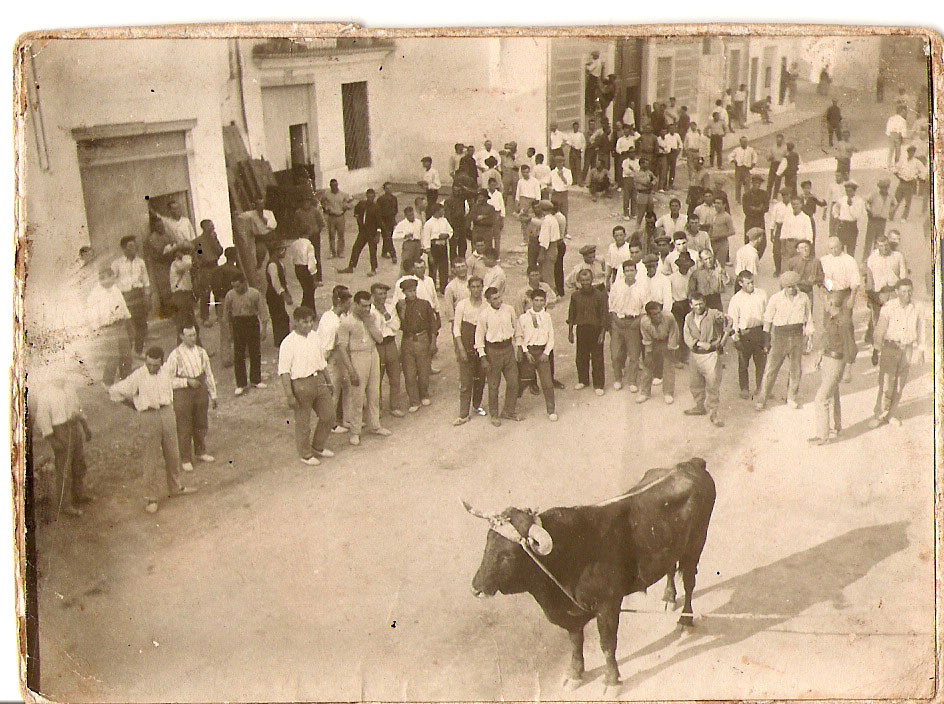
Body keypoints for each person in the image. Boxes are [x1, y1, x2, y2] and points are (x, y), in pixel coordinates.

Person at [108, 346, 198, 513]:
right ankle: (151, 498)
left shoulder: (165, 372)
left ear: (161, 363)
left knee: (173, 453)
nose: (151, 368)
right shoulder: (138, 375)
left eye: (155, 365)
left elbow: (173, 382)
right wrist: (135, 405)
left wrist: (186, 382)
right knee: (151, 458)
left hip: (167, 412)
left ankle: (176, 487)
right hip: (149, 416)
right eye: (148, 364)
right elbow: (116, 392)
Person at [279, 306, 336, 466]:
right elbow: (284, 372)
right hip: (300, 385)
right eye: (305, 322)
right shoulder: (288, 343)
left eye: (311, 321)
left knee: (329, 416)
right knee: (303, 422)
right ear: (296, 322)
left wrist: (328, 381)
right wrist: (290, 395)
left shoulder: (315, 337)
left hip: (318, 379)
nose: (309, 325)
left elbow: (322, 362)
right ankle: (305, 453)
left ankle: (318, 446)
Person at [32, 373, 93, 518]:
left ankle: (78, 494)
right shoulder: (45, 394)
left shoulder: (70, 388)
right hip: (60, 430)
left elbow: (78, 408)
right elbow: (43, 418)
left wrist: (85, 427)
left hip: (74, 426)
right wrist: (52, 439)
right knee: (64, 468)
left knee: (79, 463)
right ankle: (65, 504)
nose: (60, 378)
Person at [336, 291, 391, 446]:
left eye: (369, 306)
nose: (367, 309)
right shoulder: (347, 322)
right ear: (356, 305)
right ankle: (355, 431)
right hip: (357, 356)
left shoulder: (372, 317)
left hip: (372, 353)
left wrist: (369, 323)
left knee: (374, 392)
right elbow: (342, 348)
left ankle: (375, 425)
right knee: (357, 396)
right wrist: (351, 370)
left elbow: (380, 338)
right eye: (364, 306)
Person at [755, 271, 813, 411]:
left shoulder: (803, 298)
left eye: (793, 286)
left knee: (795, 369)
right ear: (783, 287)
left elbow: (809, 318)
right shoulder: (775, 299)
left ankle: (791, 397)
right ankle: (762, 399)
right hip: (780, 335)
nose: (791, 289)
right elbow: (768, 319)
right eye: (788, 287)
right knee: (771, 369)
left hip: (797, 334)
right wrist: (766, 339)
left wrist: (809, 337)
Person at [869, 278, 922, 428]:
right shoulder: (889, 307)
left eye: (909, 291)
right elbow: (880, 330)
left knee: (899, 385)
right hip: (890, 348)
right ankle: (879, 414)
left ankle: (891, 414)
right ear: (897, 292)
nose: (907, 294)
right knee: (886, 384)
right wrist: (876, 349)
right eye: (904, 291)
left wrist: (921, 350)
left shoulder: (917, 307)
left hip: (907, 349)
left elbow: (920, 329)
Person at [164, 323, 217, 472]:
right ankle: (185, 458)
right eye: (189, 336)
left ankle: (201, 451)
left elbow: (208, 374)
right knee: (184, 425)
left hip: (200, 388)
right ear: (181, 336)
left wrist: (213, 394)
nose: (193, 338)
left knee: (201, 421)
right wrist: (186, 381)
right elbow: (168, 379)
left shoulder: (201, 352)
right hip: (183, 393)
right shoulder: (175, 356)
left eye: (194, 335)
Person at [808, 290, 858, 445]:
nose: (824, 304)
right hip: (828, 359)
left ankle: (822, 436)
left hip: (837, 361)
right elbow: (827, 338)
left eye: (825, 301)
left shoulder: (844, 322)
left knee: (821, 398)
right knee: (832, 395)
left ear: (831, 303)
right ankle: (837, 427)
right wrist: (820, 354)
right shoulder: (832, 318)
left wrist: (848, 369)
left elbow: (851, 347)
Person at [473, 286, 521, 426]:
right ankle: (494, 414)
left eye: (499, 297)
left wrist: (518, 347)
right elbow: (479, 337)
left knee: (513, 382)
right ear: (488, 300)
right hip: (492, 351)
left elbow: (516, 328)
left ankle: (508, 411)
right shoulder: (484, 315)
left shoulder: (509, 309)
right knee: (494, 385)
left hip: (508, 349)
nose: (499, 300)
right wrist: (483, 357)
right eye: (494, 299)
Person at [682, 292, 730, 426]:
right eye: (695, 304)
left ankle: (714, 413)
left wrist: (723, 338)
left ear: (705, 303)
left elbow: (728, 321)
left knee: (713, 385)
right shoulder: (688, 318)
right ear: (691, 305)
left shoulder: (713, 314)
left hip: (710, 355)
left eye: (701, 303)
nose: (699, 307)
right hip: (695, 354)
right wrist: (698, 343)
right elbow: (686, 336)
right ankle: (699, 406)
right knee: (695, 383)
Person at [86, 266, 134, 386]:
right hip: (107, 328)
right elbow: (91, 316)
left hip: (120, 325)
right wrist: (97, 331)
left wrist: (128, 322)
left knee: (126, 354)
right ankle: (108, 383)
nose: (111, 280)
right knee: (113, 357)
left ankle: (126, 380)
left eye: (112, 277)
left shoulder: (115, 289)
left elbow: (123, 306)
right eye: (105, 278)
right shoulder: (94, 295)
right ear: (101, 279)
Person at [222, 273, 269, 396]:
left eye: (238, 286)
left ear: (244, 283)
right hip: (237, 324)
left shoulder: (254, 294)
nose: (236, 289)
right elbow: (226, 316)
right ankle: (241, 383)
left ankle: (256, 379)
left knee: (255, 352)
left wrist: (264, 330)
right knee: (238, 354)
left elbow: (263, 312)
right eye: (234, 287)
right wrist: (228, 332)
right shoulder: (230, 295)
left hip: (252, 322)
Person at [396, 278, 438, 412]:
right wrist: (402, 310)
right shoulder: (401, 306)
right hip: (408, 340)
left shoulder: (424, 304)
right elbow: (400, 325)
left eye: (414, 290)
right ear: (404, 292)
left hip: (422, 338)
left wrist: (433, 342)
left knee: (423, 370)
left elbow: (433, 324)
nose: (412, 294)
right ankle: (414, 400)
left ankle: (424, 394)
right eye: (409, 291)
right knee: (409, 372)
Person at [517, 288, 557, 421]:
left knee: (547, 383)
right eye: (536, 300)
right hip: (529, 352)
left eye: (541, 301)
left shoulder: (547, 317)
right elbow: (519, 337)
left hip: (542, 352)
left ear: (545, 302)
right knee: (523, 381)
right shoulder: (523, 318)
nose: (539, 303)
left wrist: (546, 353)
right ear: (531, 301)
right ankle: (511, 406)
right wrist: (525, 352)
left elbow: (551, 337)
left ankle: (551, 410)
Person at [727, 270, 768, 399]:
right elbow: (732, 319)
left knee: (761, 362)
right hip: (745, 334)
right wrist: (735, 338)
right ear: (740, 283)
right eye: (748, 283)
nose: (751, 285)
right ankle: (744, 388)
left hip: (759, 332)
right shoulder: (736, 299)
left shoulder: (761, 294)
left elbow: (767, 314)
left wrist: (767, 334)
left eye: (752, 282)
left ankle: (761, 387)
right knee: (743, 363)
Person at [568, 268, 608, 394]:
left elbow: (604, 315)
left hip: (595, 330)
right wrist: (570, 332)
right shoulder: (575, 296)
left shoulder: (599, 295)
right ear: (579, 281)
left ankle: (599, 384)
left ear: (592, 280)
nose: (585, 283)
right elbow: (571, 314)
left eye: (588, 280)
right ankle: (583, 380)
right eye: (582, 280)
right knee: (581, 356)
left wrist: (602, 333)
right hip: (582, 329)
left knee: (597, 358)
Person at [607, 260, 645, 393]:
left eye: (631, 270)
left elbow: (645, 308)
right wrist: (616, 320)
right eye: (627, 271)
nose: (629, 273)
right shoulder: (616, 286)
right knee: (616, 354)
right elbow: (610, 306)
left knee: (634, 355)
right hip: (618, 322)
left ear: (636, 271)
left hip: (633, 322)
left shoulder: (642, 287)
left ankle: (632, 381)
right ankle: (618, 379)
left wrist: (637, 321)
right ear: (623, 273)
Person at [318, 286, 353, 432]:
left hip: (342, 360)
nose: (349, 306)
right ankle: (331, 425)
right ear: (342, 303)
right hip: (331, 360)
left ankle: (347, 419)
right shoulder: (330, 322)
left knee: (348, 388)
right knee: (333, 392)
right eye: (348, 303)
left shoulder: (342, 317)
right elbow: (326, 349)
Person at [369, 282, 405, 418]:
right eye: (380, 294)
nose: (383, 297)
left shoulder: (390, 307)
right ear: (373, 295)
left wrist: (385, 314)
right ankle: (376, 409)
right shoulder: (370, 310)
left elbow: (396, 326)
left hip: (390, 344)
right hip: (377, 346)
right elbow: (374, 330)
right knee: (376, 379)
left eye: (384, 294)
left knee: (395, 377)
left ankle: (394, 406)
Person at [865, 235, 909, 347]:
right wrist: (869, 295)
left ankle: (894, 344)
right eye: (881, 246)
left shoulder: (897, 256)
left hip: (894, 292)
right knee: (878, 320)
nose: (884, 248)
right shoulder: (872, 259)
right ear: (876, 246)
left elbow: (903, 276)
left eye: (886, 245)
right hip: (880, 293)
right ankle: (876, 347)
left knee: (896, 318)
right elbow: (869, 278)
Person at [112, 236, 150, 356]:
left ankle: (138, 351)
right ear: (124, 249)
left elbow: (146, 281)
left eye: (135, 245)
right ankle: (127, 356)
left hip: (138, 295)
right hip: (124, 298)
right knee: (128, 327)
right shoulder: (117, 264)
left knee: (142, 325)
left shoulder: (140, 262)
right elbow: (111, 283)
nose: (133, 248)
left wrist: (147, 296)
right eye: (130, 246)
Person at [637, 300, 679, 404]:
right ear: (649, 315)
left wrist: (671, 348)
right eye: (655, 314)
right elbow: (646, 339)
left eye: (659, 312)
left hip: (667, 340)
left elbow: (674, 333)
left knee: (669, 366)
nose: (659, 315)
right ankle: (644, 393)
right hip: (653, 341)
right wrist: (649, 354)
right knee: (648, 365)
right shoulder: (644, 322)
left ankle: (668, 393)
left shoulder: (669, 317)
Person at [339, 189, 381, 277]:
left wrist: (378, 233)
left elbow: (379, 222)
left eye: (372, 197)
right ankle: (351, 267)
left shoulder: (376, 207)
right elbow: (356, 210)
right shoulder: (362, 204)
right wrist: (357, 216)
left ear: (374, 197)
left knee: (372, 251)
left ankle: (373, 269)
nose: (370, 199)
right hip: (363, 231)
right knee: (356, 248)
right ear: (366, 196)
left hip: (372, 232)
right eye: (369, 197)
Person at [210, 247, 241, 367]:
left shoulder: (217, 270)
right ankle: (240, 353)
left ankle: (226, 357)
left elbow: (213, 287)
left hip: (220, 301)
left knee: (224, 329)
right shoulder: (236, 271)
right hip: (232, 300)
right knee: (237, 326)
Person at [192, 219, 224, 327]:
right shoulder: (198, 241)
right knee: (205, 293)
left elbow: (220, 251)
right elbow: (196, 255)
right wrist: (200, 263)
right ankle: (205, 317)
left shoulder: (214, 238)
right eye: (210, 226)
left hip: (215, 266)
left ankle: (220, 315)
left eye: (213, 226)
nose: (212, 228)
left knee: (218, 291)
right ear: (204, 227)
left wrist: (214, 241)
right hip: (205, 269)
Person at [264, 241, 292, 347]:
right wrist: (284, 295)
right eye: (283, 250)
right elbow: (275, 283)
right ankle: (281, 341)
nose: (284, 252)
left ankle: (282, 340)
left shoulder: (279, 263)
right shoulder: (272, 264)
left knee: (281, 317)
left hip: (278, 294)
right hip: (274, 295)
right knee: (280, 317)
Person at [422, 202, 453, 294]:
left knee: (444, 268)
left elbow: (451, 231)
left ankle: (444, 288)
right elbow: (426, 239)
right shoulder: (428, 224)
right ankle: (432, 290)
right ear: (436, 211)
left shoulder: (444, 221)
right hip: (434, 247)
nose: (443, 212)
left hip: (443, 247)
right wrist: (429, 254)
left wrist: (446, 235)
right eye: (441, 210)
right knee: (433, 269)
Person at [295, 194, 326, 281]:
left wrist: (316, 231)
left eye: (307, 201)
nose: (306, 204)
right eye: (304, 202)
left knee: (316, 256)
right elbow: (296, 225)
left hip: (314, 236)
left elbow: (321, 223)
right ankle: (307, 277)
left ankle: (319, 278)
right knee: (304, 257)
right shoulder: (298, 213)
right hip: (304, 237)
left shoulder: (315, 211)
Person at [832, 181, 868, 258]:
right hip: (842, 226)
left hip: (852, 226)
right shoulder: (842, 199)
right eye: (846, 191)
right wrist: (836, 215)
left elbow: (857, 216)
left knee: (850, 250)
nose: (848, 193)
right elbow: (835, 207)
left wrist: (851, 206)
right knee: (839, 248)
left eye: (850, 191)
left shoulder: (859, 201)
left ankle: (849, 267)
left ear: (854, 191)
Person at [169, 242, 198, 337]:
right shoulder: (176, 264)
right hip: (180, 295)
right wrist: (185, 256)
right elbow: (188, 264)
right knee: (186, 324)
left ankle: (196, 347)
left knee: (189, 324)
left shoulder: (180, 263)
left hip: (185, 295)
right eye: (184, 251)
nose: (187, 254)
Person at [890, 144, 924, 221]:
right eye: (909, 152)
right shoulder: (903, 161)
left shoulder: (916, 162)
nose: (911, 153)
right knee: (896, 200)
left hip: (910, 184)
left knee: (907, 202)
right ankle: (891, 215)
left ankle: (904, 217)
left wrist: (917, 177)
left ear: (914, 153)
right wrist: (897, 175)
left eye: (912, 152)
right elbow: (894, 168)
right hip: (902, 182)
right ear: (907, 152)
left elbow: (923, 171)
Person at [864, 179, 897, 259]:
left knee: (879, 240)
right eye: (882, 188)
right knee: (869, 240)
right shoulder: (875, 194)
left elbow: (895, 204)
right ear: (879, 188)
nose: (883, 189)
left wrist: (889, 212)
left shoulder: (890, 196)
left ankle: (875, 258)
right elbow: (866, 201)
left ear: (888, 188)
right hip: (873, 219)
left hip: (882, 221)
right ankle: (865, 258)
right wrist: (869, 210)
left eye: (885, 188)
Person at [779, 195, 815, 266]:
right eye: (793, 204)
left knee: (799, 266)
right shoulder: (787, 217)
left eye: (797, 204)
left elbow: (809, 234)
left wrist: (807, 248)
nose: (795, 206)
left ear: (801, 205)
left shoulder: (806, 218)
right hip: (789, 244)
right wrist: (783, 247)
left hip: (800, 244)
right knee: (787, 265)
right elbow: (783, 232)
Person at [323, 179, 354, 258]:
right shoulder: (327, 194)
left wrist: (346, 208)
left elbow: (351, 202)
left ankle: (340, 252)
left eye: (335, 185)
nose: (334, 187)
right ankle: (332, 252)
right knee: (331, 235)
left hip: (340, 216)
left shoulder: (343, 194)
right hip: (331, 217)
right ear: (330, 186)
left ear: (337, 185)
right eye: (332, 186)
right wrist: (325, 208)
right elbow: (322, 202)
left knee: (341, 235)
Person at [287, 234, 318, 313]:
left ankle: (306, 310)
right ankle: (308, 311)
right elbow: (311, 263)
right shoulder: (309, 245)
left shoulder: (294, 244)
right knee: (310, 292)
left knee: (306, 290)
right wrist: (314, 278)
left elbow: (292, 258)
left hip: (298, 268)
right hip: (306, 269)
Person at [741, 174, 769, 259]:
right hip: (750, 221)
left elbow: (766, 208)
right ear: (752, 183)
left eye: (759, 183)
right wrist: (759, 209)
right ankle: (749, 260)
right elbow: (746, 210)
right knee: (749, 242)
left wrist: (755, 208)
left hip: (760, 221)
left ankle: (757, 258)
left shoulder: (764, 194)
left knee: (762, 243)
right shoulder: (746, 195)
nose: (757, 184)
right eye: (755, 182)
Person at [536, 200, 562, 288]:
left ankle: (552, 295)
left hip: (549, 249)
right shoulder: (553, 219)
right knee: (549, 272)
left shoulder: (547, 221)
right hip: (554, 248)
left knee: (547, 274)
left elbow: (544, 240)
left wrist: (541, 254)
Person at [444, 185, 471, 264]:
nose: (458, 192)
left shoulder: (462, 199)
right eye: (456, 190)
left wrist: (464, 188)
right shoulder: (448, 201)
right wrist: (452, 228)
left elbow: (471, 194)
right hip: (454, 225)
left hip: (462, 225)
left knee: (463, 245)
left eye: (459, 191)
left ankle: (462, 262)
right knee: (453, 247)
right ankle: (454, 264)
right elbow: (447, 215)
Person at [768, 187, 792, 276]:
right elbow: (772, 219)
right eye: (783, 195)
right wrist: (771, 233)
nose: (785, 197)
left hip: (790, 228)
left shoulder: (793, 205)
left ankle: (789, 270)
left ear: (790, 195)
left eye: (787, 195)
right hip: (780, 228)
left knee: (789, 249)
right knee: (776, 250)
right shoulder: (777, 206)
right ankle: (778, 269)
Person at [392, 206, 423, 273]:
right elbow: (394, 236)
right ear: (406, 215)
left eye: (412, 214)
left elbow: (421, 234)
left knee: (417, 263)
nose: (412, 216)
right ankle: (403, 278)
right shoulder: (402, 224)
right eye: (409, 215)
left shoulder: (418, 222)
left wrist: (421, 246)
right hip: (408, 244)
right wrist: (404, 235)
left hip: (417, 243)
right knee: (405, 263)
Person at [728, 136, 758, 204]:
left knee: (747, 185)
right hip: (739, 169)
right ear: (740, 142)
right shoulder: (737, 150)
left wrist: (753, 163)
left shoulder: (751, 149)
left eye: (746, 142)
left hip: (746, 169)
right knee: (738, 185)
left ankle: (747, 200)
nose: (744, 143)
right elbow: (730, 156)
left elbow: (755, 157)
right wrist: (733, 160)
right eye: (743, 142)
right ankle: (738, 200)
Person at [708, 197, 735, 267]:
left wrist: (719, 236)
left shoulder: (727, 216)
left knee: (719, 266)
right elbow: (711, 227)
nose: (716, 205)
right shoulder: (714, 215)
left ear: (724, 205)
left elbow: (732, 231)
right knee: (710, 264)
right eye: (715, 203)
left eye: (719, 203)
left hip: (722, 244)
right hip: (712, 243)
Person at [376, 182, 399, 264]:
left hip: (391, 220)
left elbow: (396, 209)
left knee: (388, 237)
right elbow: (378, 211)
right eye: (387, 188)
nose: (389, 190)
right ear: (384, 189)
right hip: (384, 221)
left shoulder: (394, 198)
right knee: (388, 237)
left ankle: (384, 252)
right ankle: (393, 255)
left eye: (390, 188)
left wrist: (393, 218)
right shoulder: (381, 199)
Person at [549, 154, 573, 228]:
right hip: (555, 194)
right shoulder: (552, 172)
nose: (559, 164)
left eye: (560, 162)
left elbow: (569, 183)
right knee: (554, 214)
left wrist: (562, 176)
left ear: (563, 162)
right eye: (557, 162)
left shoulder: (568, 172)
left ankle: (565, 232)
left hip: (563, 194)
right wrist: (549, 189)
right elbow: (546, 182)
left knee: (564, 213)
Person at [799, 180, 827, 245]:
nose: (807, 190)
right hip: (801, 220)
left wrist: (824, 203)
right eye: (805, 188)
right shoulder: (800, 198)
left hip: (810, 219)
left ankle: (812, 254)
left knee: (811, 236)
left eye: (808, 188)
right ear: (802, 189)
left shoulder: (813, 198)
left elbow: (822, 204)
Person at [486, 177, 506, 257]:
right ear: (488, 185)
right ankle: (490, 255)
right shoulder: (486, 194)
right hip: (488, 216)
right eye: (491, 185)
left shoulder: (498, 194)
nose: (493, 187)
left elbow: (502, 207)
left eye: (494, 185)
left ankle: (497, 255)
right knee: (489, 237)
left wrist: (502, 219)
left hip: (497, 215)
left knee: (497, 237)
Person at [765, 134, 788, 201]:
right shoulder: (772, 147)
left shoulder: (785, 148)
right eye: (778, 140)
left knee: (778, 181)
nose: (779, 141)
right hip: (773, 164)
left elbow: (786, 157)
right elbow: (768, 157)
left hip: (780, 165)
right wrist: (770, 157)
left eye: (780, 140)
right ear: (776, 140)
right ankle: (767, 197)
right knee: (770, 181)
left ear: (782, 140)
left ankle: (775, 197)